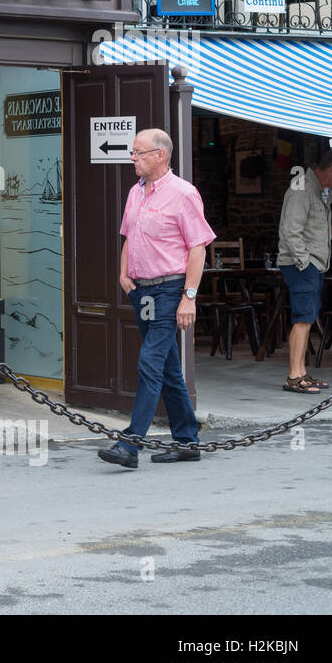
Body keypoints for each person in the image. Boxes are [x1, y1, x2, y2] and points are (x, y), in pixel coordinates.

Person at [99, 128, 216, 469]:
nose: (132, 157)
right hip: (142, 290)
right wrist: (123, 273)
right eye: (133, 152)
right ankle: (187, 441)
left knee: (149, 362)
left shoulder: (184, 193)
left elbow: (198, 248)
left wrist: (188, 298)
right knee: (167, 369)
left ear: (159, 156)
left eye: (138, 152)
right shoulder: (136, 192)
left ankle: (130, 444)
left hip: (169, 288)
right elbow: (128, 235)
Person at [276, 149, 332, 394]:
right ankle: (294, 376)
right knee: (303, 319)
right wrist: (305, 263)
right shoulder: (302, 188)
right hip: (301, 265)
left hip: (311, 264)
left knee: (307, 317)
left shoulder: (319, 190)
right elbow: (290, 230)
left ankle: (302, 372)